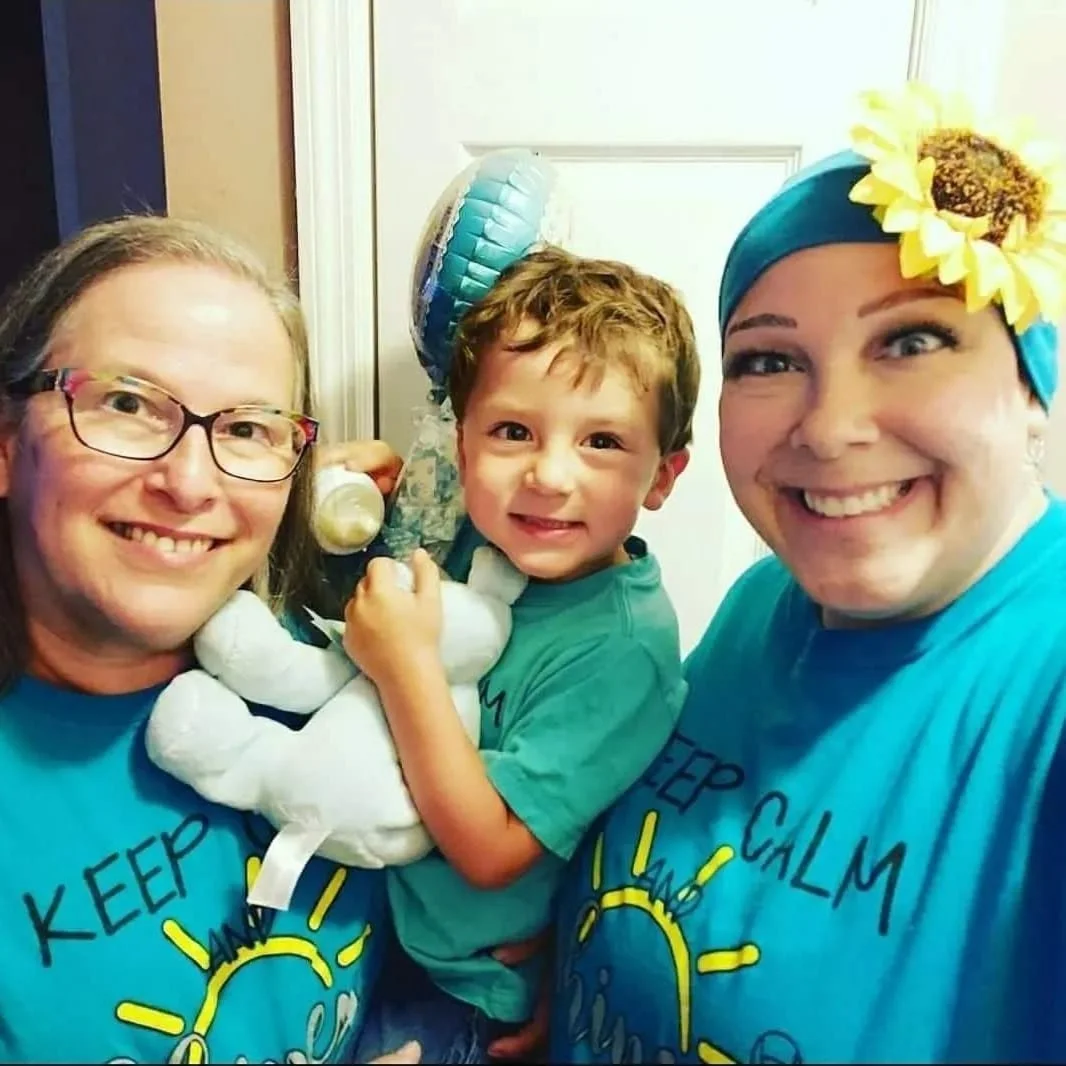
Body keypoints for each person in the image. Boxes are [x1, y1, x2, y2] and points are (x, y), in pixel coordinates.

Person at [550, 83, 1066, 1064]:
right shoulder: (766, 602)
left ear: (1031, 389)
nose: (829, 429)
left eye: (912, 340)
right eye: (767, 360)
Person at [0, 214, 417, 1065]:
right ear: (8, 445)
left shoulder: (330, 677)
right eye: (124, 404)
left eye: (247, 429)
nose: (189, 484)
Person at [345, 247, 701, 1063]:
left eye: (602, 441)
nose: (547, 476)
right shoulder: (479, 537)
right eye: (512, 431)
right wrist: (356, 508)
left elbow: (492, 850)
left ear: (664, 475)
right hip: (369, 923)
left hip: (466, 991)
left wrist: (408, 670)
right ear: (461, 445)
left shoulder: (625, 650)